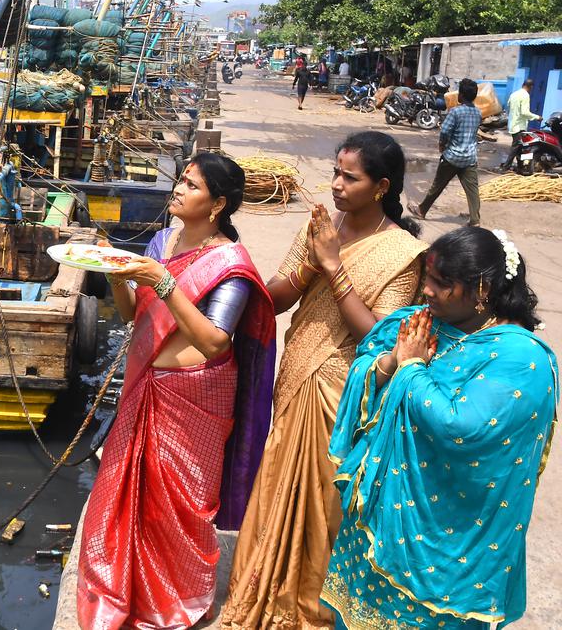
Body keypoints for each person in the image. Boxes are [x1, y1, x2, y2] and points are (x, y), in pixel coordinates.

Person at [222, 132, 427, 630]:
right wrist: (306, 264)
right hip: (297, 375)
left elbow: (379, 335)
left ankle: (308, 608)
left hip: (344, 391)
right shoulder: (320, 228)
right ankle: (261, 591)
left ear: (381, 187)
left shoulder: (403, 253)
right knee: (276, 485)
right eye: (335, 172)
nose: (335, 185)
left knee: (324, 503)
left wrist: (333, 267)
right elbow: (276, 301)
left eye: (349, 177)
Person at [77, 153, 277, 630]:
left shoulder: (230, 261)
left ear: (217, 204)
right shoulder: (162, 241)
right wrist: (115, 273)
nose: (179, 189)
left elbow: (213, 341)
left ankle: (174, 601)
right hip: (145, 382)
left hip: (195, 396)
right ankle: (122, 589)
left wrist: (163, 282)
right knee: (128, 496)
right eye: (182, 180)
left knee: (180, 507)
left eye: (192, 184)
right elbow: (132, 316)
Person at [321, 226, 556, 628]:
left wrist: (412, 369)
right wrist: (391, 363)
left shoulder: (520, 360)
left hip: (452, 540)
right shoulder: (423, 322)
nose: (426, 290)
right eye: (428, 278)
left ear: (482, 289)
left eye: (441, 283)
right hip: (382, 524)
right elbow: (370, 360)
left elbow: (463, 427)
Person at [409, 78, 483, 227]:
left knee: (437, 185)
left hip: (453, 156)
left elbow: (444, 132)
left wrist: (442, 146)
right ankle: (475, 220)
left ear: (461, 95)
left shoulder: (455, 112)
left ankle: (421, 211)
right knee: (472, 190)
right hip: (469, 158)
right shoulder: (478, 113)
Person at [501, 79, 542, 171]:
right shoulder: (525, 95)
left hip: (513, 124)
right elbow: (524, 112)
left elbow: (509, 105)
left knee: (520, 147)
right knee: (516, 147)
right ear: (530, 87)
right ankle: (505, 167)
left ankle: (520, 167)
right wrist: (537, 117)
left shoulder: (514, 94)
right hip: (519, 126)